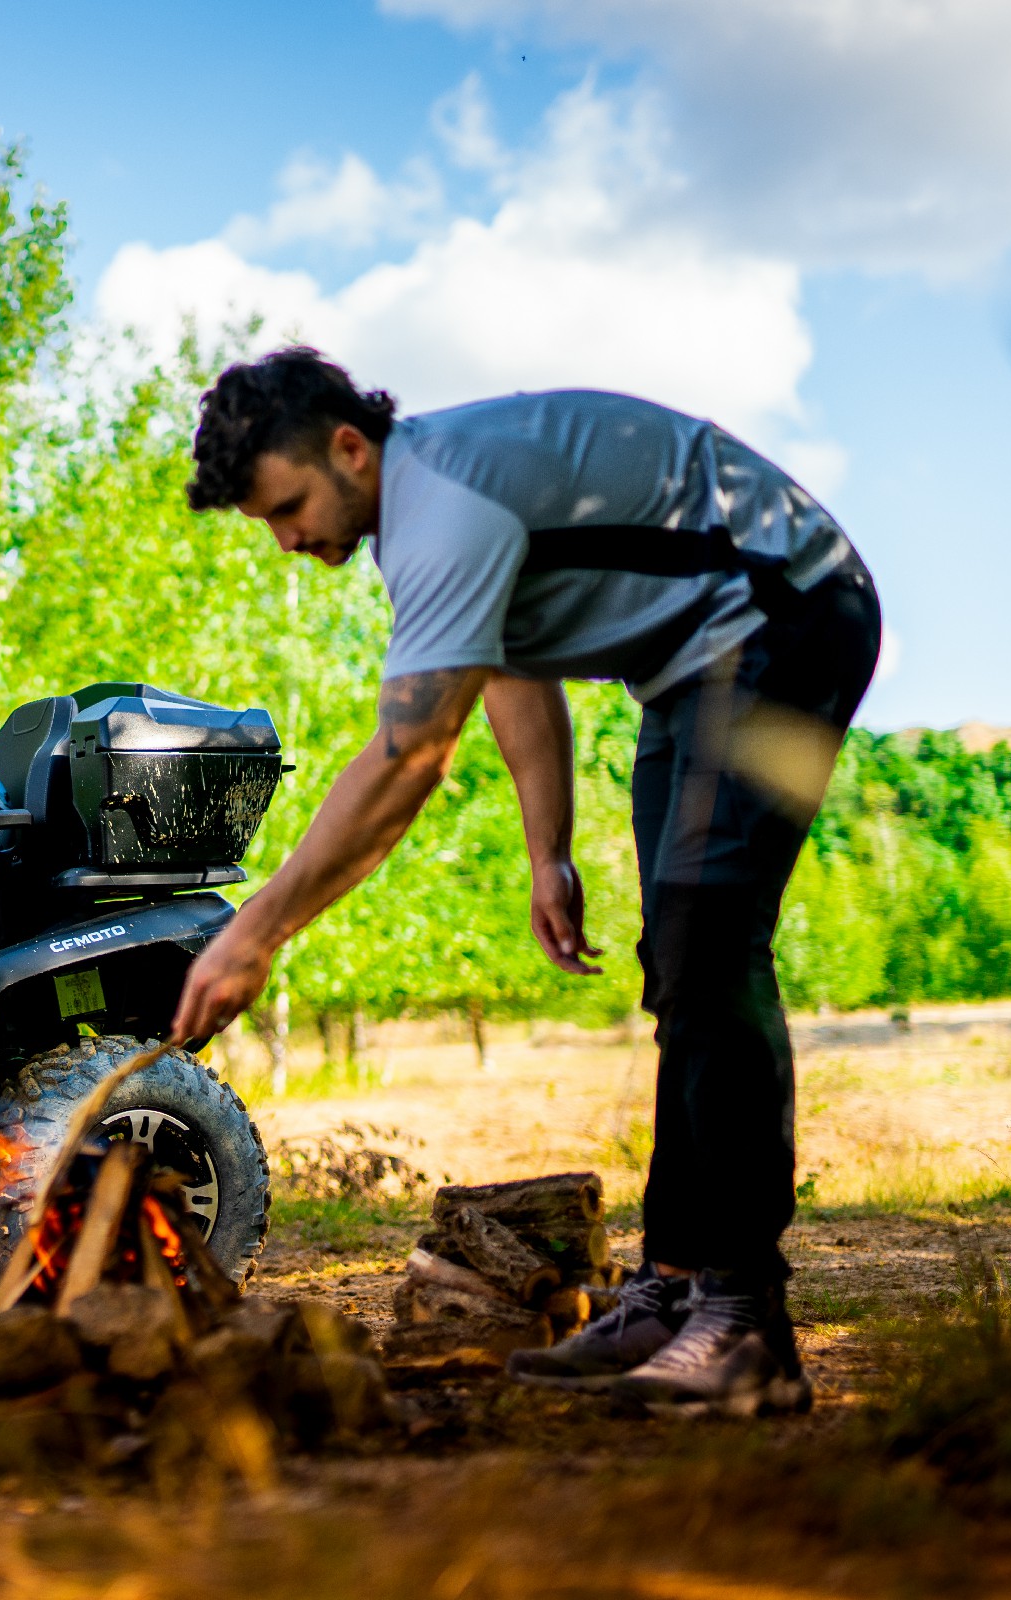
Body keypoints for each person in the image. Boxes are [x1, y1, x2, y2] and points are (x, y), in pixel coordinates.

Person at [169, 349, 881, 1416]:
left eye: (287, 505)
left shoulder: (441, 505)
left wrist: (256, 931)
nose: (285, 539)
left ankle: (746, 1321)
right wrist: (549, 847)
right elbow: (513, 668)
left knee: (711, 948)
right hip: (694, 663)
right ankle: (678, 1282)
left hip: (784, 610)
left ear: (349, 447)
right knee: (679, 961)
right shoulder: (428, 509)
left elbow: (409, 756)